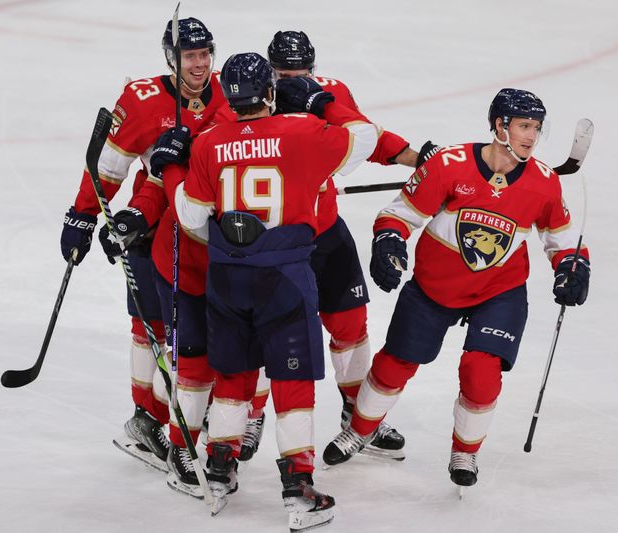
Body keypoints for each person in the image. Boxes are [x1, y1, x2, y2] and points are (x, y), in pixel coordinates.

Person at [322, 88, 591, 491]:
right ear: (499, 125)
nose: (531, 137)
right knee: (395, 363)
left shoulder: (543, 183)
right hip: (435, 286)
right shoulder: (449, 165)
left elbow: (562, 239)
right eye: (523, 126)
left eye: (536, 128)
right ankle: (359, 430)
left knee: (481, 373)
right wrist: (389, 241)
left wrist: (573, 265)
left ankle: (465, 451)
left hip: (498, 291)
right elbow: (399, 214)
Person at [158, 51, 377, 529]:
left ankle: (218, 470)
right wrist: (322, 100)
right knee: (291, 381)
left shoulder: (209, 142)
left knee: (234, 373)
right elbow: (366, 138)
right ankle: (298, 488)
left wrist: (170, 168)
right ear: (271, 93)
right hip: (283, 277)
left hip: (227, 277)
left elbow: (193, 220)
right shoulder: (302, 132)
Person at [234, 29, 436, 463]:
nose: (293, 82)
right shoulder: (246, 102)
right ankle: (251, 414)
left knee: (350, 322)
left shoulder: (328, 93)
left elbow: (366, 135)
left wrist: (419, 159)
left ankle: (356, 415)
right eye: (284, 74)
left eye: (301, 73)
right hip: (272, 244)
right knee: (266, 332)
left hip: (323, 231)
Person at [60, 16, 229, 475]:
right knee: (150, 325)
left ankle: (177, 407)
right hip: (150, 223)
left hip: (203, 229)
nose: (200, 64)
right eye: (190, 56)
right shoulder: (142, 99)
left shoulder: (227, 92)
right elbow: (110, 166)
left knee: (194, 330)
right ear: (171, 59)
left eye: (204, 54)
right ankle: (145, 417)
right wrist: (83, 214)